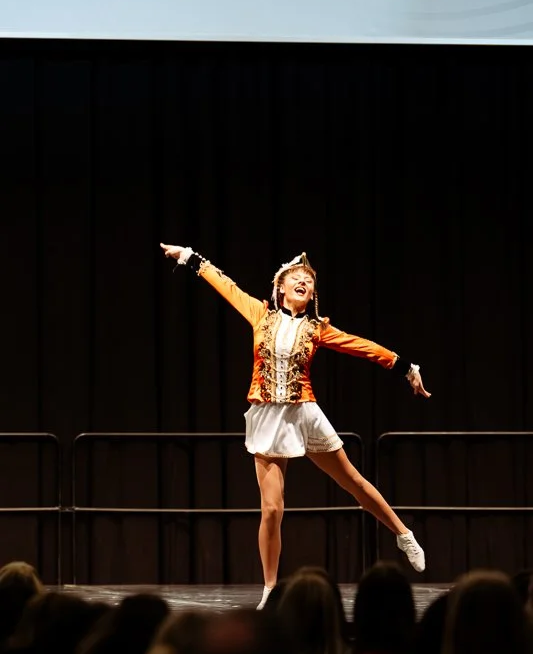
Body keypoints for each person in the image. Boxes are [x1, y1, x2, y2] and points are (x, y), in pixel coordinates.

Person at [160, 245, 430, 609]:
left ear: (312, 294)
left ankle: (403, 534)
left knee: (352, 481)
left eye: (309, 281)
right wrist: (189, 257)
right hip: (267, 415)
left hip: (303, 412)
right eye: (296, 278)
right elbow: (226, 286)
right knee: (271, 510)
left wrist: (405, 367)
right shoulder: (260, 314)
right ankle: (271, 588)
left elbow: (360, 346)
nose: (304, 281)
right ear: (281, 287)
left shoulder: (317, 329)